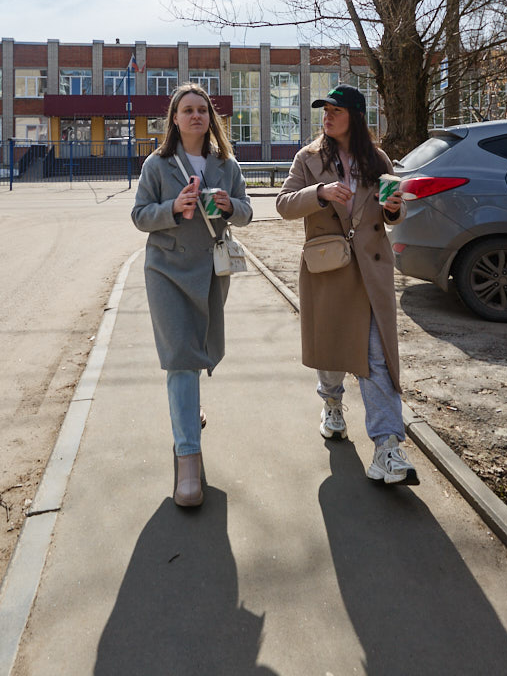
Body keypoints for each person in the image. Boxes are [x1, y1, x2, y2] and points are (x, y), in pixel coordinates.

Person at [276, 84, 416, 485]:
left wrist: (394, 208)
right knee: (332, 353)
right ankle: (332, 403)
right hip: (328, 268)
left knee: (377, 359)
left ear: (354, 116)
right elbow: (284, 204)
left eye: (335, 110)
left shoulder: (378, 158)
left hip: (371, 273)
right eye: (325, 110)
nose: (327, 115)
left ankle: (388, 447)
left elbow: (395, 210)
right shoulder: (308, 158)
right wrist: (318, 193)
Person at [131, 83, 253, 508]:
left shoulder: (226, 163)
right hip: (166, 271)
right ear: (175, 119)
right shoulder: (158, 164)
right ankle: (187, 457)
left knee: (198, 349)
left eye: (203, 110)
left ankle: (188, 409)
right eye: (188, 110)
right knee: (181, 356)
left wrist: (229, 205)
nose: (196, 116)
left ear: (211, 118)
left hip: (211, 272)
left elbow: (248, 210)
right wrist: (173, 209)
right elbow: (139, 215)